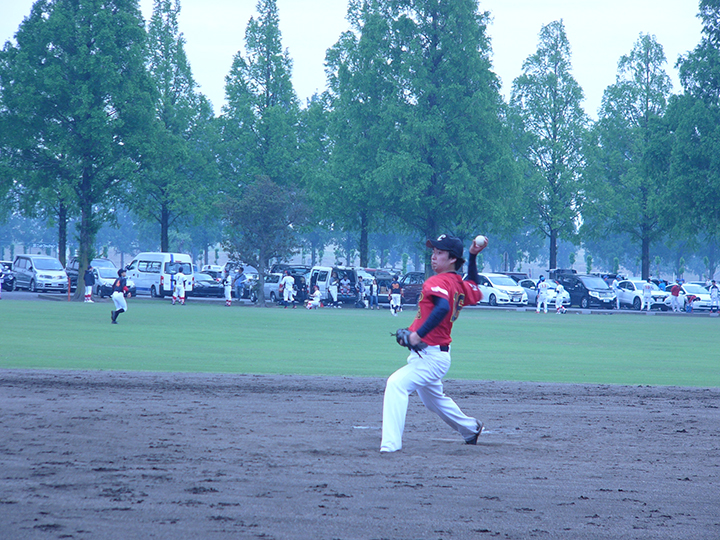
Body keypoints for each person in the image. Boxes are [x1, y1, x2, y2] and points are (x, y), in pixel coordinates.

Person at [380, 234, 485, 453]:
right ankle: (470, 428)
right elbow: (474, 285)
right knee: (433, 401)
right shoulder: (459, 284)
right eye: (433, 252)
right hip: (434, 354)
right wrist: (473, 257)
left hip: (432, 356)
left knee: (396, 384)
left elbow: (442, 308)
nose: (433, 257)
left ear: (452, 259)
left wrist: (417, 336)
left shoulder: (437, 281)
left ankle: (390, 446)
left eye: (440, 253)